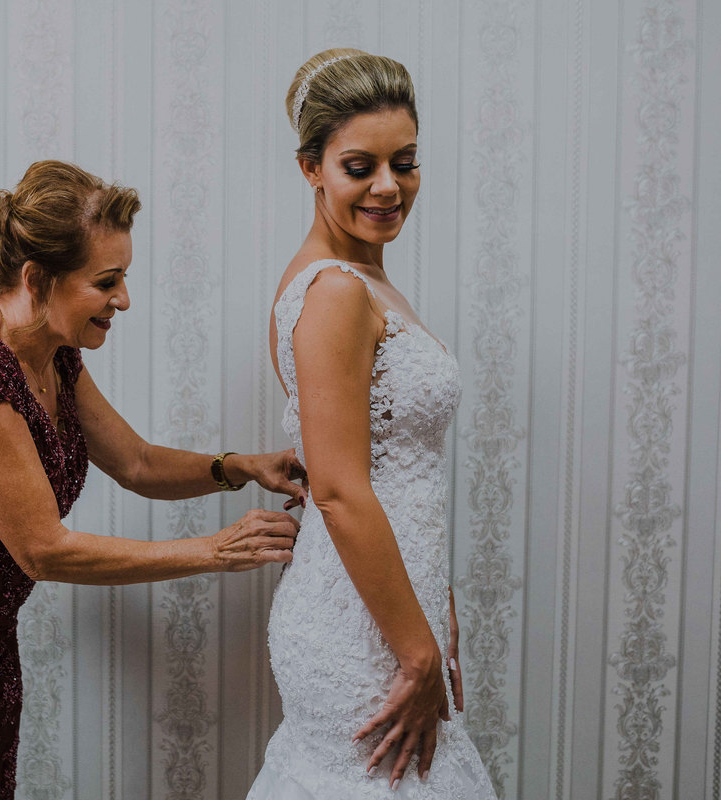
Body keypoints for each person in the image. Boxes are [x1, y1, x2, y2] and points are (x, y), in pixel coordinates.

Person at [0, 160, 305, 799]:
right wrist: (214, 551)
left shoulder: (55, 353)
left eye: (123, 277)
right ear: (36, 278)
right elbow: (42, 550)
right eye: (106, 281)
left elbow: (136, 462)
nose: (123, 298)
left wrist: (239, 467)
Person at [245, 50, 497, 798]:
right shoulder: (332, 291)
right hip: (356, 624)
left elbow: (396, 471)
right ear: (311, 168)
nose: (389, 186)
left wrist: (434, 608)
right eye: (361, 167)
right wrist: (417, 652)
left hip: (390, 602)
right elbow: (339, 490)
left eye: (406, 163)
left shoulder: (363, 278)